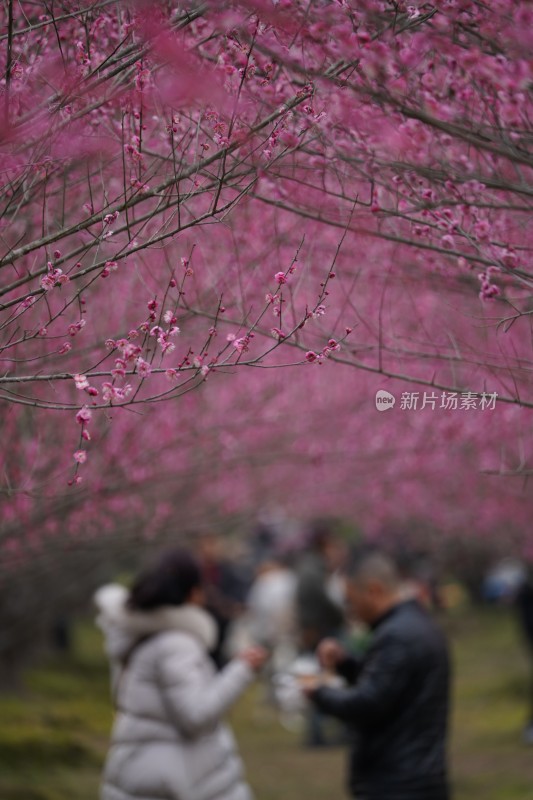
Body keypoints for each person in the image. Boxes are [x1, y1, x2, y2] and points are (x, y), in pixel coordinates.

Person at [95, 547, 267, 800]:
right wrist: (241, 670)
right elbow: (195, 716)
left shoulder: (139, 635)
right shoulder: (176, 645)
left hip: (140, 767)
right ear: (192, 592)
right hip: (178, 778)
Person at [305, 550, 450, 800]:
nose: (350, 610)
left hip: (397, 782)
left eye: (351, 600)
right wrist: (344, 663)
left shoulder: (396, 636)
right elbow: (392, 686)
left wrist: (318, 692)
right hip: (418, 774)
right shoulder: (415, 624)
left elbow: (368, 703)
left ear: (373, 591)